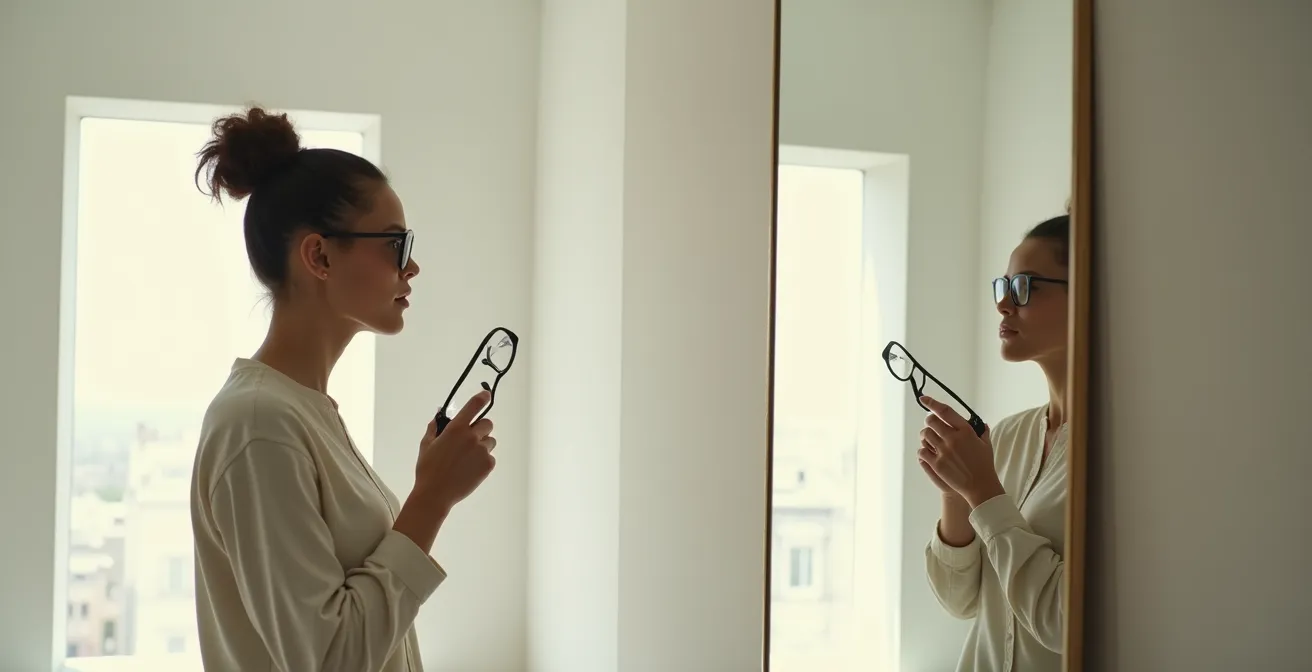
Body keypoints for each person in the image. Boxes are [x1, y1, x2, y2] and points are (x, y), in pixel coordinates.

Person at [188, 106, 497, 672]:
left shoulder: (299, 411)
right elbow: (331, 659)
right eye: (396, 244)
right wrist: (431, 498)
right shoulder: (258, 424)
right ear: (320, 255)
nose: (413, 267)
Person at [919, 213, 1071, 671]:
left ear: (1084, 293)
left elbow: (1064, 623)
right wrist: (956, 491)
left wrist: (983, 490)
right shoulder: (1006, 437)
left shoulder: (1115, 453)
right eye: (1002, 286)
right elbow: (960, 600)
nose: (1003, 304)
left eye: (1024, 286)